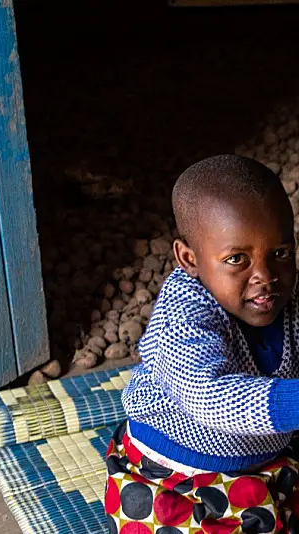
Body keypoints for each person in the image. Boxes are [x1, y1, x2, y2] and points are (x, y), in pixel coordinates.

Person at [105, 155, 299, 534]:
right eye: (237, 259)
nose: (265, 276)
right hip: (182, 475)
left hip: (265, 452)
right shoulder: (181, 315)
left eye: (281, 253)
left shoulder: (289, 296)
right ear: (189, 259)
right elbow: (208, 396)